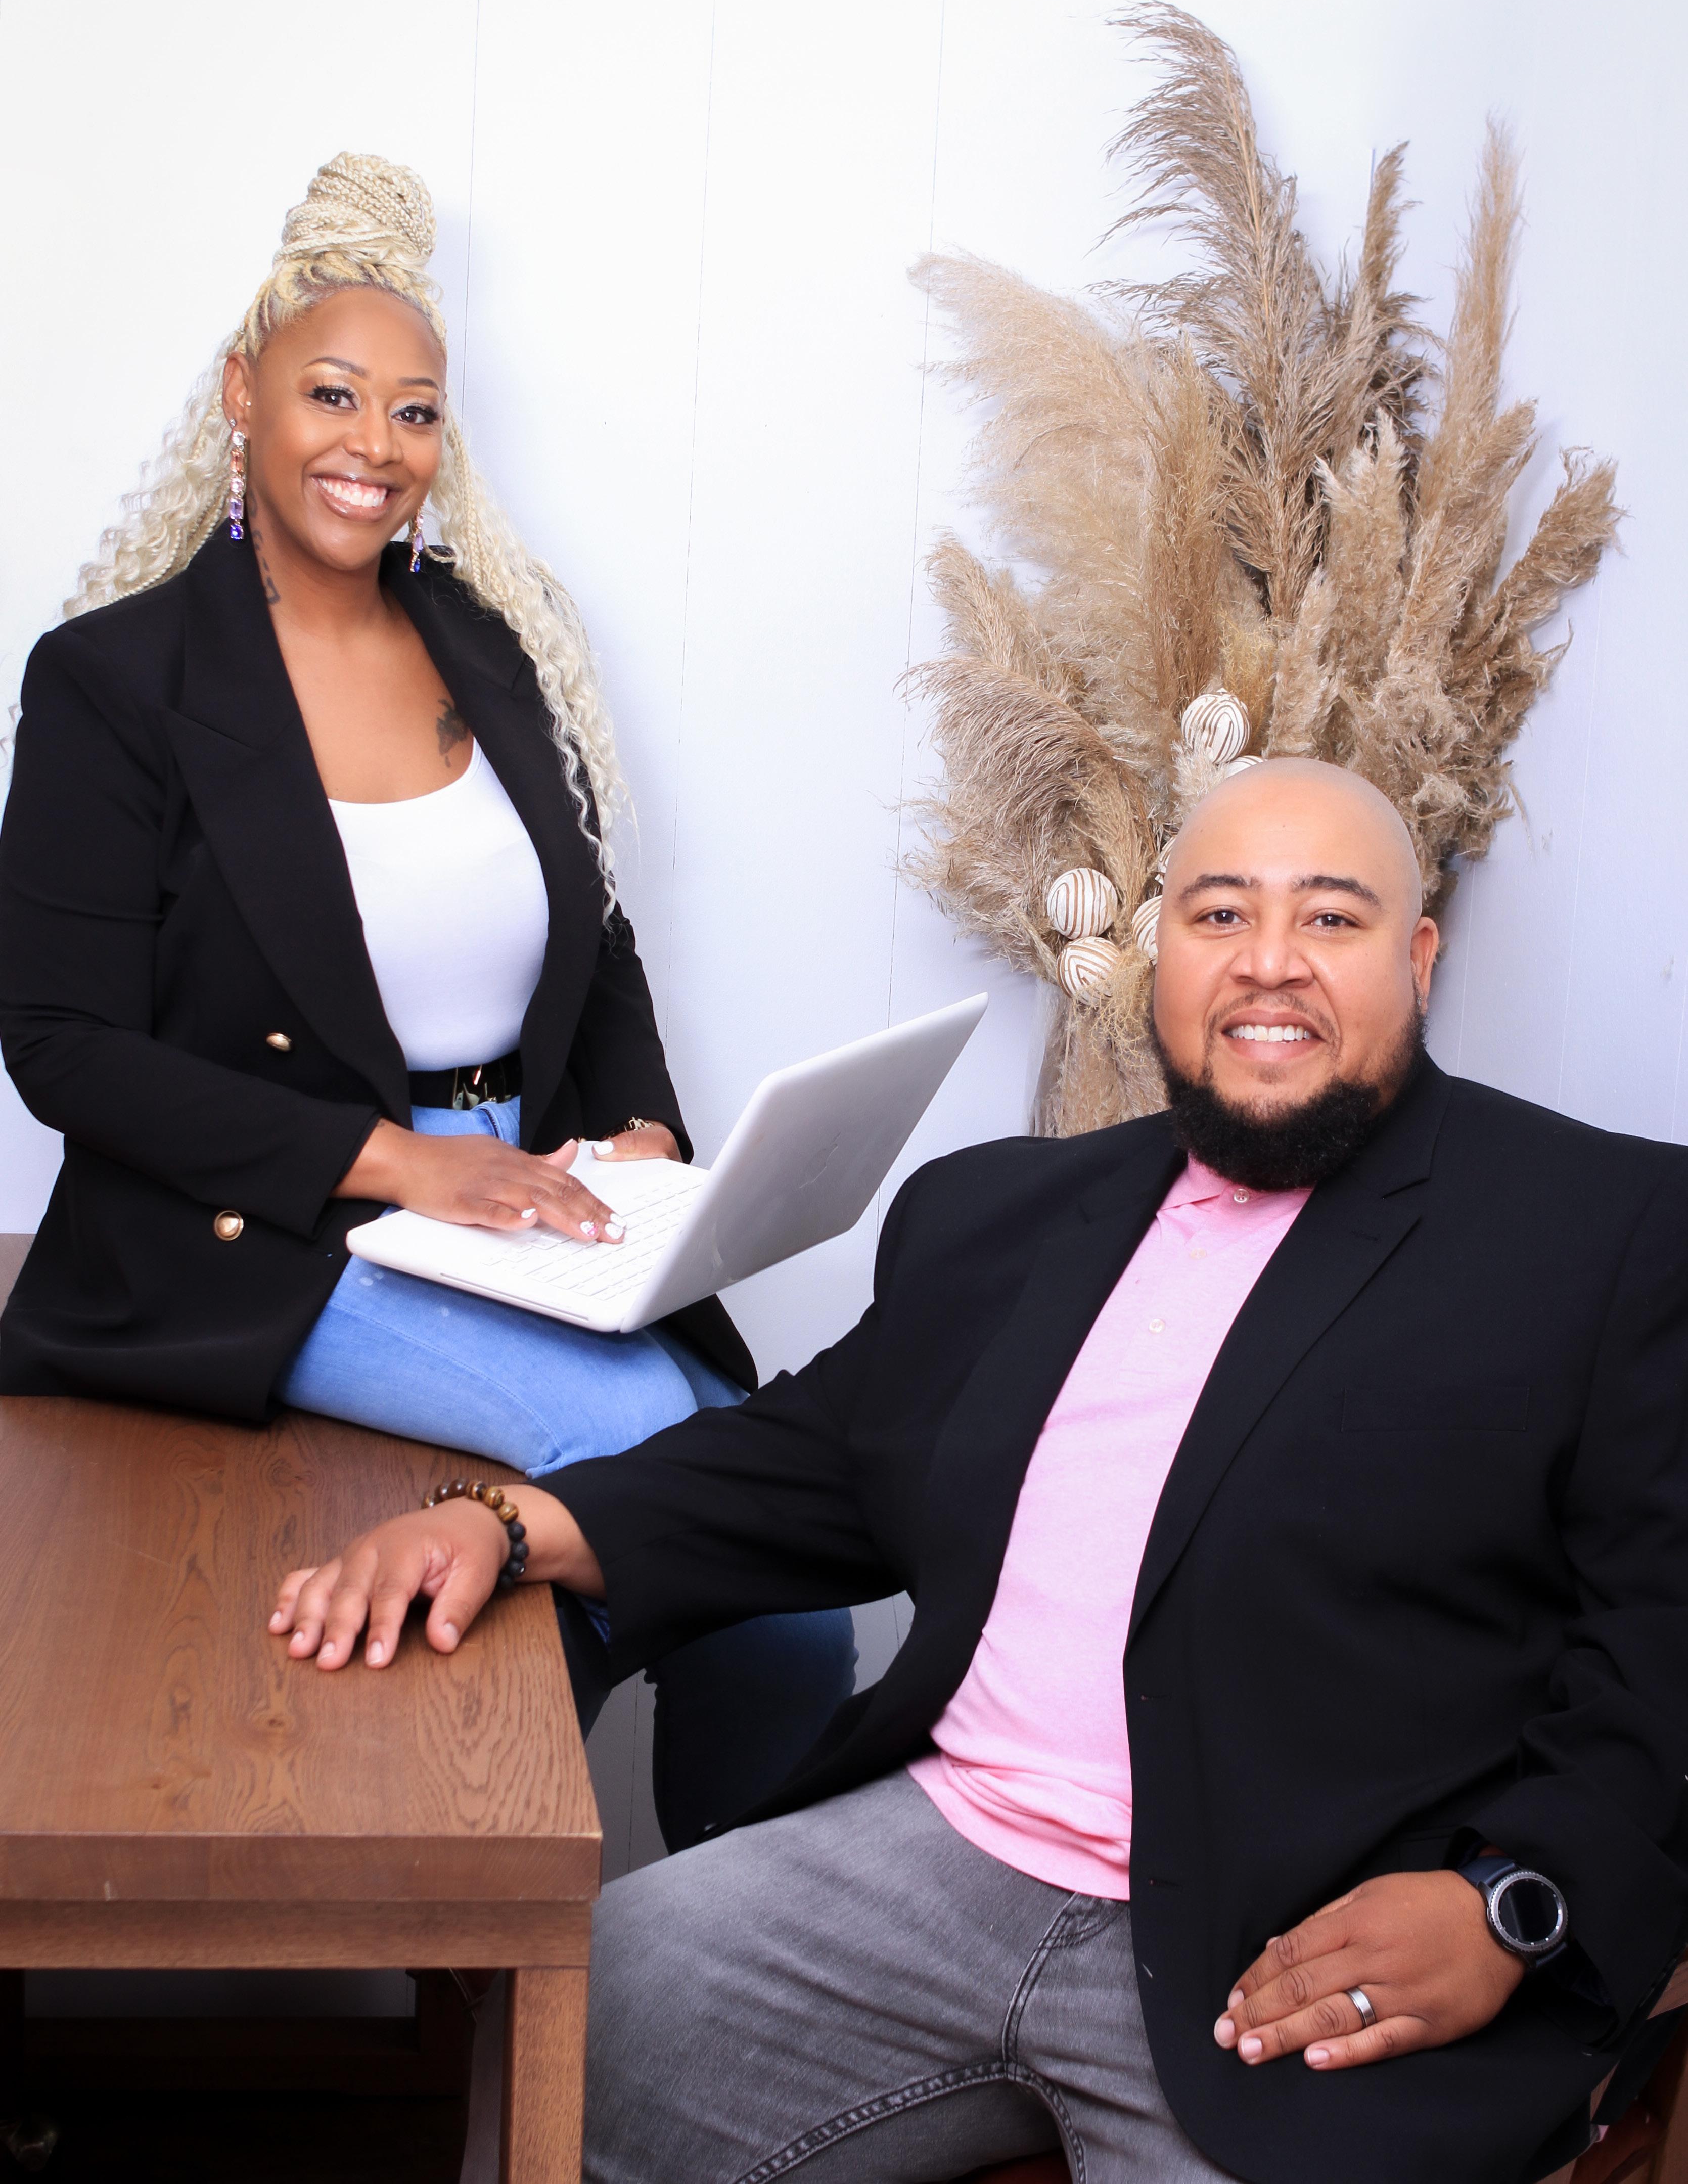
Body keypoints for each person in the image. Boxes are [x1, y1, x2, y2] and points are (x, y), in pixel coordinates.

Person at [272, 756, 1688, 2184]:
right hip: (939, 1856)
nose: (1269, 963)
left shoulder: (1604, 1232)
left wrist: (1512, 1904)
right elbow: (811, 1460)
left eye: (1329, 918)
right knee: (562, 2036)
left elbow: (1665, 1643)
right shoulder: (1005, 1210)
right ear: (1158, 952)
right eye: (1218, 915)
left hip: (1296, 1946)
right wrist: (507, 1523)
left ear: (1419, 957)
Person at [0, 152, 853, 1853]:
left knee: (792, 1558)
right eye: (331, 394)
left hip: (527, 1196)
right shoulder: (114, 682)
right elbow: (64, 1051)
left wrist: (641, 1134)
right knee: (653, 1450)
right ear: (242, 395)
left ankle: (710, 1957)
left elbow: (597, 936)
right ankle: (497, 1886)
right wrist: (402, 1164)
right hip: (270, 1225)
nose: (373, 445)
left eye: (413, 412)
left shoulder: (481, 637)